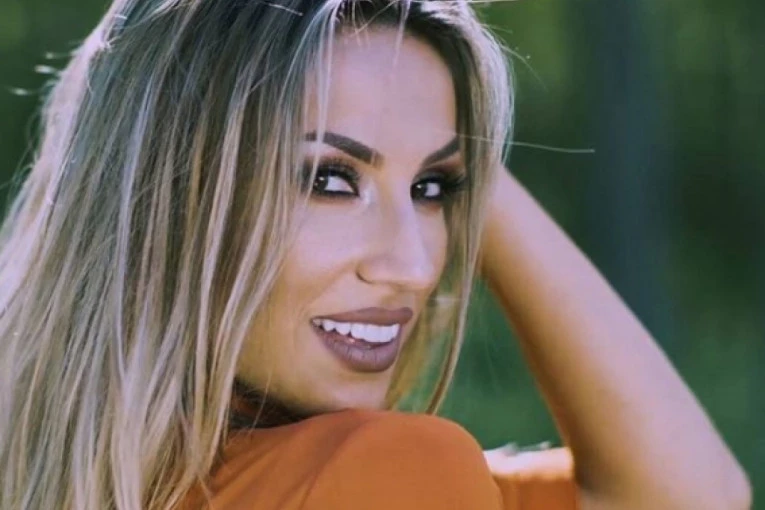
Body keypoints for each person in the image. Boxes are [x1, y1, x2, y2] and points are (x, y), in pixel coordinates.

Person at [0, 1, 751, 509]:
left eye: (435, 187)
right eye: (330, 179)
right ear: (169, 195)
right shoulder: (383, 474)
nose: (416, 268)